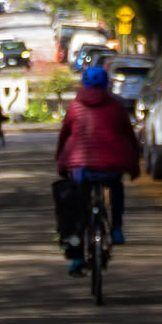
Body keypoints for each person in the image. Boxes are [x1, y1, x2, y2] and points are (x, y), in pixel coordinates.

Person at [54, 63, 139, 273]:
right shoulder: (117, 107)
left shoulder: (75, 107)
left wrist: (61, 161)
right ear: (107, 84)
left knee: (78, 207)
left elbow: (64, 135)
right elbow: (129, 136)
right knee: (116, 186)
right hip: (111, 166)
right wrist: (134, 163)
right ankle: (117, 228)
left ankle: (76, 257)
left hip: (80, 168)